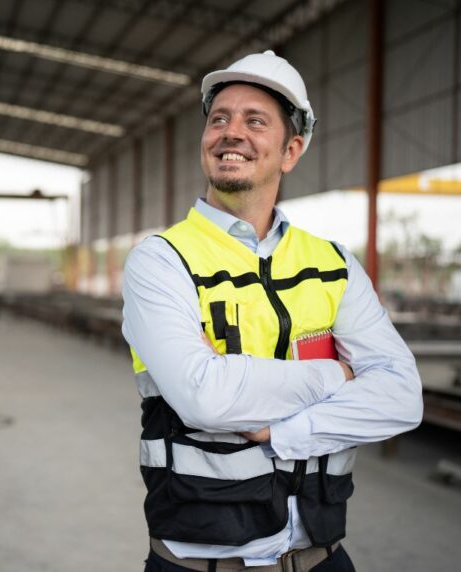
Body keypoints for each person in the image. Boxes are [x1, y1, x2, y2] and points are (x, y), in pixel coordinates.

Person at [121, 50, 423, 571]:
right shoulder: (162, 259)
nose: (230, 132)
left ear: (290, 151)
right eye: (219, 119)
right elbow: (205, 398)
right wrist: (339, 374)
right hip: (202, 562)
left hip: (321, 558)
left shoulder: (332, 263)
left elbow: (401, 397)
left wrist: (282, 431)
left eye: (254, 121)